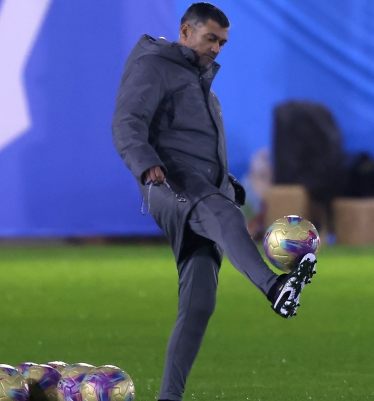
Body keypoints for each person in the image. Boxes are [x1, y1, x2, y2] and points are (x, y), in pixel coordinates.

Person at [111, 3, 318, 400]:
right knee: (221, 211)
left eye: (222, 42)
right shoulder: (154, 66)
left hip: (201, 187)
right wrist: (145, 162)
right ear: (185, 31)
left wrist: (228, 181)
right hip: (167, 183)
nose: (217, 48)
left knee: (200, 301)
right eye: (210, 38)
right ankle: (275, 287)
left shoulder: (198, 80)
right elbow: (126, 122)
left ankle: (169, 396)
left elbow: (195, 144)